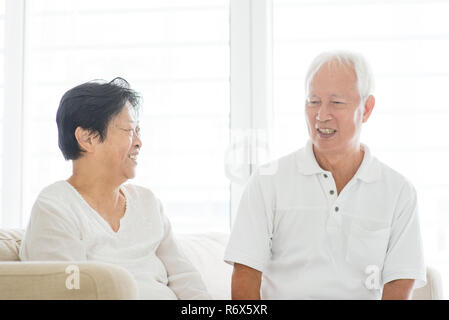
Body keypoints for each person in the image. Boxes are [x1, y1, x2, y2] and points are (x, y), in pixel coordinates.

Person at [224, 51, 427, 300]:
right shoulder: (267, 182)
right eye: (313, 101)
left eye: (336, 103)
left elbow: (399, 283)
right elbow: (245, 273)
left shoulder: (399, 192)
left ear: (367, 108)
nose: (321, 115)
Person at [20, 78, 211, 300]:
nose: (139, 142)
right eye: (130, 130)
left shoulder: (147, 202)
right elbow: (68, 293)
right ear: (87, 138)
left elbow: (187, 279)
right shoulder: (55, 207)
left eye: (138, 130)